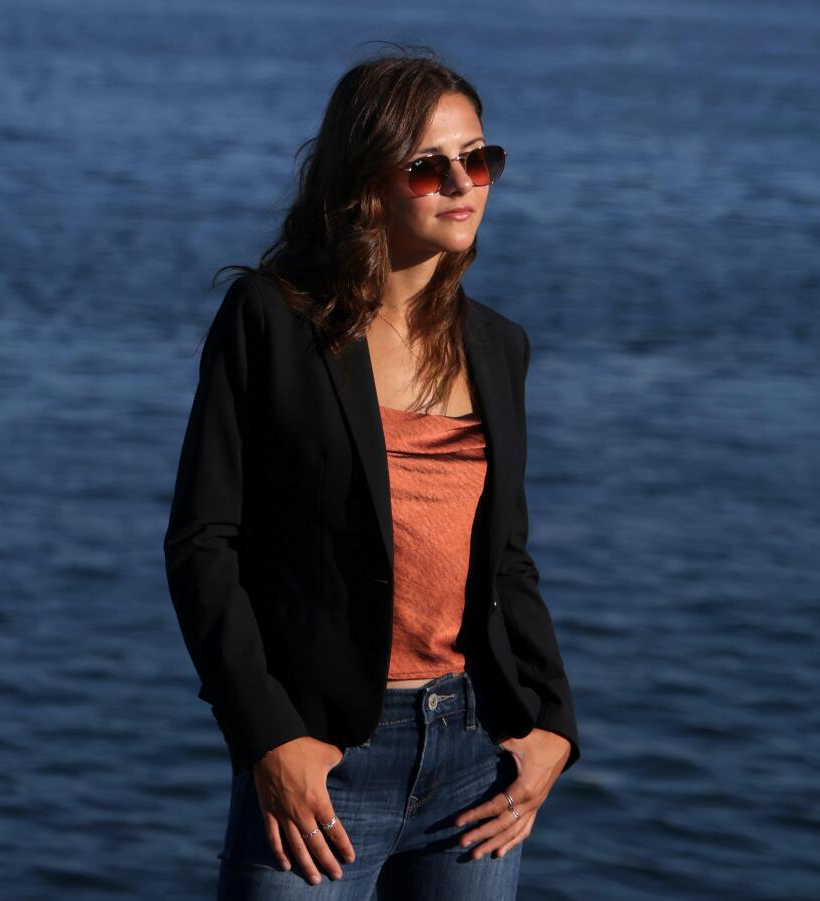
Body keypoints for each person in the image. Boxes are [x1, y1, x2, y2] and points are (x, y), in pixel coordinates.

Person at [164, 49, 581, 898]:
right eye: (430, 166)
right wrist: (266, 736)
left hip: (474, 757)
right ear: (367, 182)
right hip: (321, 760)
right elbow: (205, 543)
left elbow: (505, 560)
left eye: (480, 158)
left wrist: (553, 724)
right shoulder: (272, 322)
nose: (464, 182)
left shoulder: (499, 347)